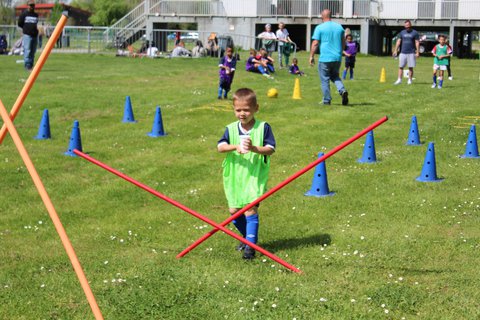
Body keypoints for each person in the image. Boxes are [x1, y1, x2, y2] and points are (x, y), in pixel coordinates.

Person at [217, 88, 276, 260]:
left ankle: (251, 246)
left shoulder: (263, 127)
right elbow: (220, 147)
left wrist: (253, 149)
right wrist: (235, 146)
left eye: (246, 110)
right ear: (234, 109)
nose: (242, 114)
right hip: (235, 176)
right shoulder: (230, 129)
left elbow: (270, 149)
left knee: (250, 209)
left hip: (254, 175)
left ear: (256, 108)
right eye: (238, 110)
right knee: (234, 210)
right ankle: (246, 238)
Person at [309, 9, 349, 106]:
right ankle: (342, 90)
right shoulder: (339, 28)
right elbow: (344, 43)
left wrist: (311, 56)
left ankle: (326, 100)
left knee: (325, 79)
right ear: (331, 16)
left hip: (325, 58)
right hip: (337, 58)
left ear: (322, 16)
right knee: (335, 76)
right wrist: (341, 52)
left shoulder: (320, 28)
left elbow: (315, 43)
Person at [393, 20, 420, 85]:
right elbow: (398, 41)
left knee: (410, 67)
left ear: (410, 25)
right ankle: (399, 80)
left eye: (408, 25)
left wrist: (418, 52)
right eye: (406, 26)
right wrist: (395, 50)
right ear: (404, 26)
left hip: (411, 52)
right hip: (403, 52)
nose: (407, 27)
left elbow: (417, 42)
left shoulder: (415, 33)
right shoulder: (402, 32)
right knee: (400, 66)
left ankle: (410, 80)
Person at [18, 0, 38, 71]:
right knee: (28, 50)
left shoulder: (36, 15)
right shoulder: (24, 14)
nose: (32, 7)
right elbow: (20, 23)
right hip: (27, 35)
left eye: (33, 5)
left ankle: (31, 65)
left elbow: (36, 24)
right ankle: (27, 66)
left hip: (35, 35)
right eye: (30, 5)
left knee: (33, 51)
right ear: (27, 6)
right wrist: (26, 29)